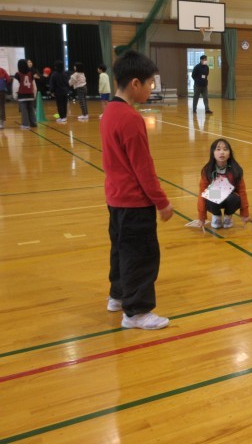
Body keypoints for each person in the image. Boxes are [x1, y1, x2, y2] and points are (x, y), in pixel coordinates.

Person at [100, 49, 174, 330]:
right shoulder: (131, 118)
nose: (151, 88)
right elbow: (143, 168)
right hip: (134, 202)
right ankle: (136, 312)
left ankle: (118, 296)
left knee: (121, 250)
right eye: (150, 83)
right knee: (141, 256)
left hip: (115, 198)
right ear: (135, 83)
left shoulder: (109, 112)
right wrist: (162, 202)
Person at [195, 138, 250, 229]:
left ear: (229, 154)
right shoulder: (207, 171)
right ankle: (217, 216)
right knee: (209, 195)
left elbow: (242, 192)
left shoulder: (236, 170)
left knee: (235, 198)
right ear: (213, 153)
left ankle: (228, 216)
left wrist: (245, 213)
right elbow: (202, 193)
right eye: (218, 149)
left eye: (225, 149)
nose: (222, 152)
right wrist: (202, 217)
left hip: (230, 199)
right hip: (214, 200)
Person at [14, 59, 37, 129]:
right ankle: (33, 123)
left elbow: (16, 86)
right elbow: (34, 85)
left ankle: (26, 125)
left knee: (24, 110)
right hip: (30, 94)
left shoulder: (17, 74)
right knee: (31, 110)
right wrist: (34, 94)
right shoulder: (31, 73)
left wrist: (15, 95)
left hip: (22, 95)